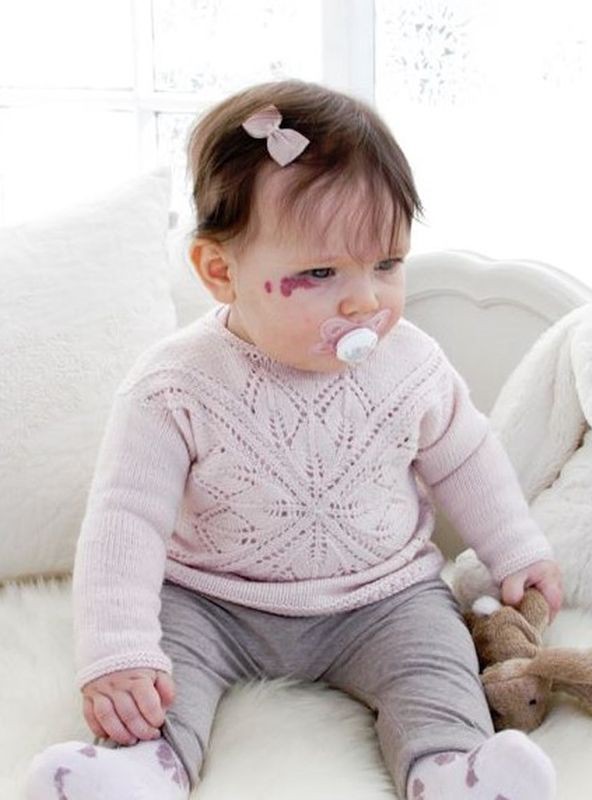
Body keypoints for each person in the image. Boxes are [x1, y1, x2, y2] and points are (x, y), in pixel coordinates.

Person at [24, 79, 563, 800]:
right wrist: (117, 651)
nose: (365, 300)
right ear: (221, 272)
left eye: (387, 264)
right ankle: (141, 768)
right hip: (212, 599)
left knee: (436, 661)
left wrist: (516, 549)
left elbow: (468, 457)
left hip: (381, 597)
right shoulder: (173, 385)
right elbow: (125, 520)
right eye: (320, 272)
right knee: (158, 672)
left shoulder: (413, 365)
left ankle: (451, 768)